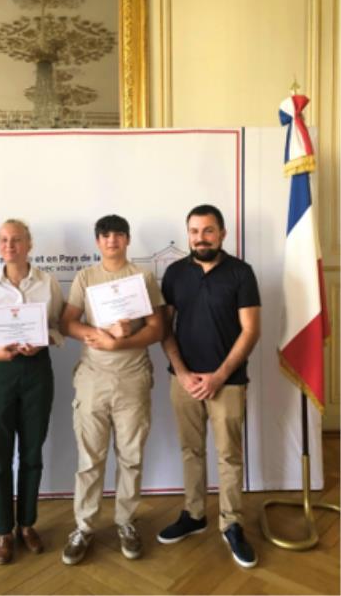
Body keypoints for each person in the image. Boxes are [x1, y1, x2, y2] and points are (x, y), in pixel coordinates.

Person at [158, 204, 261, 568]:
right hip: (182, 381)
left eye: (208, 231)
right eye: (194, 231)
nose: (200, 238)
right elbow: (164, 329)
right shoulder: (173, 273)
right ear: (187, 234)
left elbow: (251, 331)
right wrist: (183, 372)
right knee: (191, 451)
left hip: (228, 382)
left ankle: (232, 524)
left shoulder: (241, 273)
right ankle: (195, 515)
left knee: (229, 456)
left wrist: (218, 376)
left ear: (222, 234)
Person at [60, 214, 164, 565]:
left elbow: (158, 329)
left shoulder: (142, 276)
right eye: (105, 235)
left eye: (119, 235)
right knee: (90, 458)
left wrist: (123, 342)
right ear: (97, 241)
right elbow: (67, 322)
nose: (112, 241)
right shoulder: (85, 277)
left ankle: (125, 521)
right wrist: (98, 335)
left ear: (127, 240)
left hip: (133, 378)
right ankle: (84, 526)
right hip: (92, 379)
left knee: (131, 457)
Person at [0, 219, 64, 564]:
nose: (10, 245)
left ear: (29, 244)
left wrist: (43, 342)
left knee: (31, 453)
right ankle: (3, 530)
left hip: (36, 372)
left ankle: (27, 524)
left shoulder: (48, 282)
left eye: (17, 239)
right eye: (4, 240)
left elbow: (57, 327)